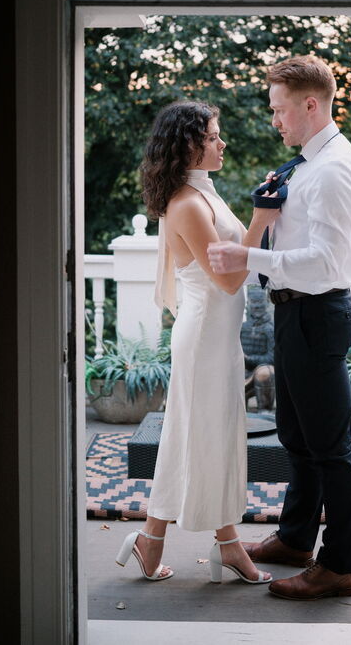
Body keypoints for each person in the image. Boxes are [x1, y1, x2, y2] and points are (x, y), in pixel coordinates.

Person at [208, 55, 351, 600]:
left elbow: (326, 262)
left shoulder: (333, 169)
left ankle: (341, 566)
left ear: (309, 104)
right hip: (294, 312)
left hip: (318, 313)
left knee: (332, 448)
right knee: (298, 438)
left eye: (279, 110)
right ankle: (297, 540)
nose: (273, 120)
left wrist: (249, 257)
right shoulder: (306, 164)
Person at [115, 101, 276, 585]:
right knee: (203, 435)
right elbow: (229, 281)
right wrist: (262, 218)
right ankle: (212, 546)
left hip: (217, 336)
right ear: (189, 145)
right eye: (213, 136)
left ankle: (159, 542)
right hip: (205, 333)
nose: (221, 142)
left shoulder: (201, 191)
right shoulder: (186, 202)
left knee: (206, 435)